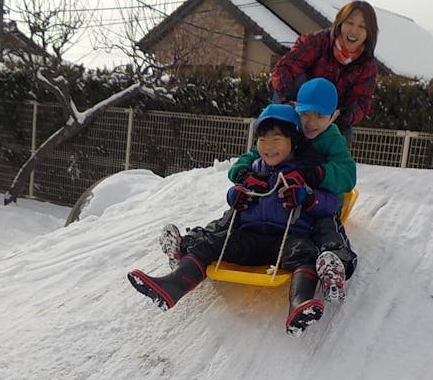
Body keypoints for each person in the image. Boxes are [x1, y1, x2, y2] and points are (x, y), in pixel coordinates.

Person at [128, 104, 341, 337]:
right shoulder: (253, 170)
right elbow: (237, 197)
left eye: (276, 139)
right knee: (212, 242)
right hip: (250, 238)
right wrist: (236, 195)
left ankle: (300, 303)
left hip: (289, 240)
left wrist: (306, 196)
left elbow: (331, 204)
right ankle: (173, 284)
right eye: (262, 139)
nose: (268, 147)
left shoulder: (307, 171)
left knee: (307, 252)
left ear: (294, 141)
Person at [230, 78, 357, 303]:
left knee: (324, 225)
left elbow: (348, 175)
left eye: (321, 116)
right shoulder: (290, 127)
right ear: (296, 108)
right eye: (306, 113)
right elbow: (254, 155)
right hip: (287, 197)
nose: (311, 122)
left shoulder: (332, 139)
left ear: (334, 116)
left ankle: (334, 264)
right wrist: (242, 174)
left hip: (320, 200)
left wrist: (316, 174)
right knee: (240, 211)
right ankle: (201, 244)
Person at [271, 0, 379, 146]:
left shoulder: (367, 65)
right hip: (299, 106)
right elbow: (283, 68)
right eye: (350, 23)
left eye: (362, 26)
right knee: (278, 130)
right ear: (340, 23)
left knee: (342, 137)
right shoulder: (318, 42)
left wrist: (340, 115)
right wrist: (289, 99)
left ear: (369, 32)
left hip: (331, 115)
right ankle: (273, 146)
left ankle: (324, 165)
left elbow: (361, 101)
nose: (354, 31)